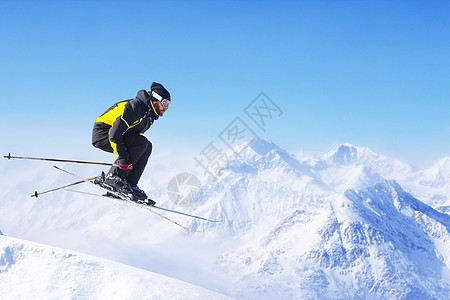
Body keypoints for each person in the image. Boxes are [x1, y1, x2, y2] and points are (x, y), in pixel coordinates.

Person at [92, 82, 171, 204]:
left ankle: (129, 184)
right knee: (141, 143)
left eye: (169, 105)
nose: (166, 108)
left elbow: (133, 138)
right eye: (165, 103)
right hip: (103, 132)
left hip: (118, 135)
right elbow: (114, 133)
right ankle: (114, 178)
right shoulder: (136, 107)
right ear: (156, 99)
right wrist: (123, 157)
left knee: (147, 146)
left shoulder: (149, 116)